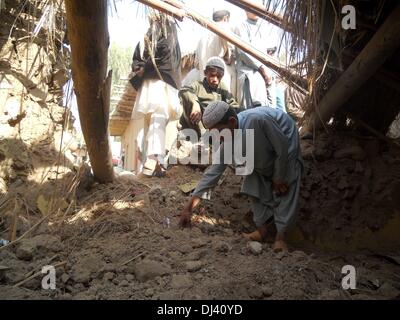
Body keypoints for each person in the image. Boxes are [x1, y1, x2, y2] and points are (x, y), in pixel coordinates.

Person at [179, 101, 303, 252]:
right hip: (264, 152)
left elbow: (282, 147)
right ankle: (262, 231)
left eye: (218, 132)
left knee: (286, 186)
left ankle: (281, 237)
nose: (217, 138)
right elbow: (213, 174)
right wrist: (188, 208)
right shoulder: (228, 138)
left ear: (231, 122)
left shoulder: (257, 120)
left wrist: (278, 177)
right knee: (251, 181)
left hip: (286, 144)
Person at [129, 13, 182, 176]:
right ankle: (153, 159)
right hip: (155, 81)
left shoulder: (165, 28)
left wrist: (143, 67)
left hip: (159, 79)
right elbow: (141, 55)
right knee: (156, 116)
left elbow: (162, 51)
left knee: (156, 117)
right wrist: (140, 67)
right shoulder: (156, 30)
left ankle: (153, 159)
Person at [234, 3, 286, 112]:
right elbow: (244, 53)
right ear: (246, 9)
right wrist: (262, 69)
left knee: (266, 114)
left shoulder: (264, 28)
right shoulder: (241, 27)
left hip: (265, 78)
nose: (255, 10)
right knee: (249, 115)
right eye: (252, 7)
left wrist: (267, 72)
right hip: (249, 76)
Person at [179, 56, 240, 139]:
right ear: (205, 73)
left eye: (219, 77)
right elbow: (184, 91)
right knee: (188, 99)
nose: (215, 79)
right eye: (212, 75)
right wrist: (195, 103)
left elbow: (233, 104)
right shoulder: (197, 85)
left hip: (214, 126)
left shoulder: (222, 87)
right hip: (198, 124)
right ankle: (202, 137)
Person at [182, 9, 237, 97]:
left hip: (204, 79)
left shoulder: (204, 34)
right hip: (222, 78)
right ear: (226, 18)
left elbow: (196, 64)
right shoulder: (224, 28)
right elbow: (229, 56)